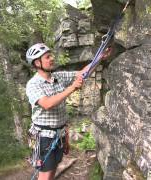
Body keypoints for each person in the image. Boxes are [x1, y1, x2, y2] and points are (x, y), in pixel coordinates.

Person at [25, 43, 111, 180]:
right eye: (47, 57)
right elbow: (47, 104)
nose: (52, 58)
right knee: (45, 176)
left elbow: (82, 73)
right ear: (37, 62)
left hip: (58, 134)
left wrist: (99, 58)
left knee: (53, 169)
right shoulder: (33, 84)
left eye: (51, 55)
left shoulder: (57, 77)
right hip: (44, 137)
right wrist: (71, 88)